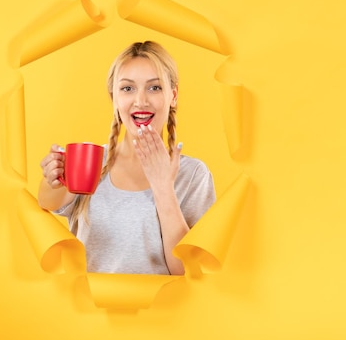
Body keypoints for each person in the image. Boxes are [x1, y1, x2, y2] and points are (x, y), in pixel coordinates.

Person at [37, 41, 216, 275]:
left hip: (164, 311)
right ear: (114, 97)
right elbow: (47, 202)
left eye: (154, 88)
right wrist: (52, 175)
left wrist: (163, 188)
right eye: (127, 88)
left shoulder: (194, 175)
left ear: (173, 95)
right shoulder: (91, 162)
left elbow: (188, 270)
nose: (140, 101)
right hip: (89, 310)